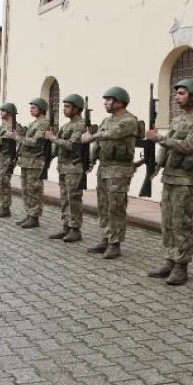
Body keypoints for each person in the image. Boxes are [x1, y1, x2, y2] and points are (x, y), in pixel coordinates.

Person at [145, 78, 193, 286]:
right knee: (167, 222)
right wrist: (156, 166)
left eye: (181, 93)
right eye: (176, 93)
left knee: (183, 222)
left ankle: (182, 265)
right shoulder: (178, 120)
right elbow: (167, 147)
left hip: (187, 180)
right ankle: (171, 258)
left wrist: (157, 137)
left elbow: (188, 146)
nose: (177, 97)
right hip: (170, 176)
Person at [81, 87, 141, 259]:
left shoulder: (129, 120)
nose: (105, 103)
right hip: (104, 167)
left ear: (119, 101)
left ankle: (115, 243)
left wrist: (91, 137)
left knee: (116, 207)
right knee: (103, 205)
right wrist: (91, 161)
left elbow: (112, 134)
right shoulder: (107, 120)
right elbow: (99, 143)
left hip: (119, 169)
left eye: (108, 100)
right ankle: (106, 238)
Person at [44, 94, 87, 243]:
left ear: (77, 108)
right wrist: (48, 158)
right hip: (63, 168)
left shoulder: (82, 125)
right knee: (64, 198)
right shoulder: (65, 126)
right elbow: (57, 148)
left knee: (73, 198)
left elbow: (72, 145)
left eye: (67, 107)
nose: (64, 109)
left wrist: (52, 138)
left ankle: (75, 229)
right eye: (64, 106)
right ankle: (66, 226)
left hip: (74, 168)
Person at [11, 98, 50, 229]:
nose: (31, 109)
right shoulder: (34, 123)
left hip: (35, 162)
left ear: (41, 109)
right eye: (31, 107)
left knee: (34, 190)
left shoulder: (44, 123)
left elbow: (35, 142)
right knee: (26, 189)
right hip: (26, 161)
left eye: (33, 107)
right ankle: (29, 213)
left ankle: (34, 217)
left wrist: (18, 138)